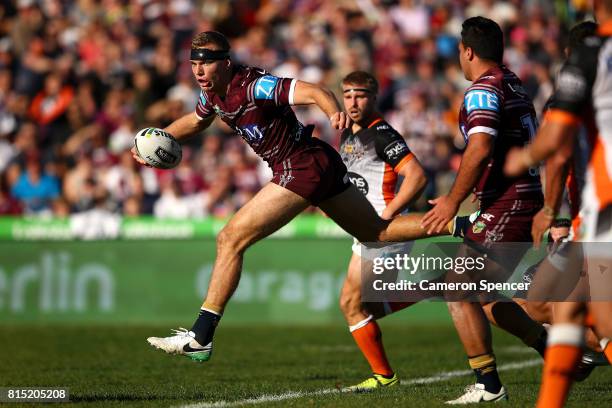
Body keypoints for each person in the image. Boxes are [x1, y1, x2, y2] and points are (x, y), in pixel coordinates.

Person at [134, 31, 445, 363]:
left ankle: (201, 335)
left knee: (231, 238)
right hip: (317, 163)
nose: (199, 70)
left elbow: (314, 91)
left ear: (225, 63)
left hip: (299, 167)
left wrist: (332, 112)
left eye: (207, 63)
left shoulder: (255, 86)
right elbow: (196, 122)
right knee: (377, 233)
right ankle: (463, 225)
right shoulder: (211, 95)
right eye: (195, 63)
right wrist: (159, 137)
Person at [421, 17, 547, 404]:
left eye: (460, 50)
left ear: (468, 51)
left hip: (510, 201)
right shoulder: (513, 82)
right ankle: (558, 351)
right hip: (520, 198)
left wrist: (450, 200)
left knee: (459, 287)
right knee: (488, 299)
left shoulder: (482, 90)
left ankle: (488, 384)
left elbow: (479, 147)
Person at [505, 2, 612, 405]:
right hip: (590, 214)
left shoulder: (586, 61)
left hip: (599, 211)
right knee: (553, 307)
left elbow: (558, 150)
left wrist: (549, 207)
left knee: (560, 309)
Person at [336, 71, 427, 391]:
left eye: (360, 95)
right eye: (347, 95)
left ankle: (384, 376)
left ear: (374, 98)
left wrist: (387, 215)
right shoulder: (347, 134)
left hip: (382, 233)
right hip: (364, 231)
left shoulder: (383, 134)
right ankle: (434, 288)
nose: (353, 102)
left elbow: (416, 175)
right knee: (366, 308)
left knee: (350, 303)